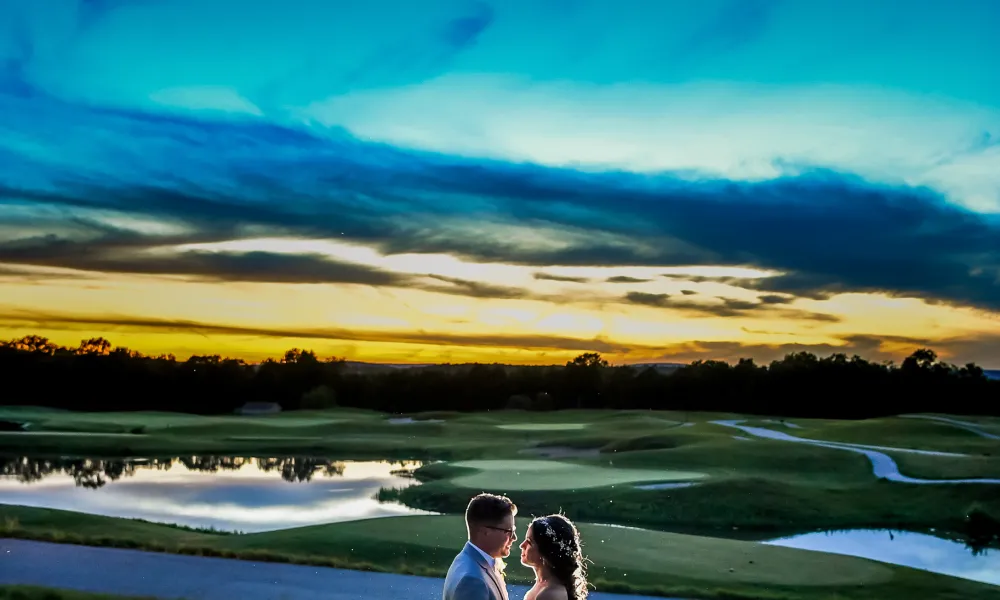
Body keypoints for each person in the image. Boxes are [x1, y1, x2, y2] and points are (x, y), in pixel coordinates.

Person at [443, 493, 518, 600]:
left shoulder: (469, 560)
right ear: (486, 531)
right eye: (508, 531)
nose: (514, 537)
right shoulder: (472, 581)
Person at [518, 514, 588, 600]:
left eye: (529, 542)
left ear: (545, 551)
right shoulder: (544, 585)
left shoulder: (549, 595)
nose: (521, 545)